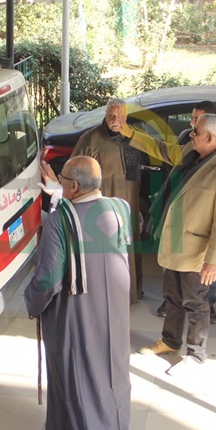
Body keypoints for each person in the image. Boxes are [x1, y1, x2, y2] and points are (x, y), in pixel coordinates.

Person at [26, 156, 131, 430]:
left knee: (76, 383)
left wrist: (31, 302)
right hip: (114, 318)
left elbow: (48, 280)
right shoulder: (121, 208)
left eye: (62, 179)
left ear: (73, 185)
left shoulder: (61, 220)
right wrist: (59, 194)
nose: (59, 181)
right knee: (113, 376)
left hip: (76, 316)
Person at [121, 114, 216, 367]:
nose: (191, 133)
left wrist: (213, 262)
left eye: (195, 131)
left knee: (196, 304)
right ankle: (170, 342)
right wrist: (130, 133)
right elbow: (162, 149)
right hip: (175, 243)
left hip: (197, 253)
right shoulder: (191, 151)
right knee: (172, 297)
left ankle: (196, 355)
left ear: (210, 137)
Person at [156, 100, 216, 323]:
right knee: (173, 272)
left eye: (196, 121)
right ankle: (171, 312)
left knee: (207, 274)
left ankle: (207, 305)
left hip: (203, 228)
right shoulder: (188, 140)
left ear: (210, 128)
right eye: (192, 119)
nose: (191, 127)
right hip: (181, 217)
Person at [70, 98, 145, 304]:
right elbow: (74, 169)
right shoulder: (91, 139)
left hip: (128, 199)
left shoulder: (135, 136)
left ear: (126, 116)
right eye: (112, 115)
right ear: (105, 115)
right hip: (103, 204)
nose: (115, 120)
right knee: (106, 248)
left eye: (120, 116)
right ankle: (107, 296)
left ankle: (131, 292)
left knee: (129, 243)